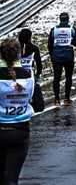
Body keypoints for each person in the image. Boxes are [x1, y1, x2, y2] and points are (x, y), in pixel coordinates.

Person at [0, 37, 35, 183]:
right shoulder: (29, 76)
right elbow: (39, 105)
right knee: (11, 178)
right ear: (19, 54)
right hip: (20, 131)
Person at [47, 12, 76, 106]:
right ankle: (67, 98)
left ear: (60, 19)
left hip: (56, 56)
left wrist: (52, 54)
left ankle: (57, 100)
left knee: (56, 77)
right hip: (68, 56)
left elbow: (50, 44)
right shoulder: (71, 29)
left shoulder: (54, 30)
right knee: (68, 77)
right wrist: (71, 41)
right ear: (68, 19)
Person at [17, 29, 44, 114]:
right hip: (30, 75)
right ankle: (34, 106)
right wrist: (38, 74)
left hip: (16, 75)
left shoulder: (15, 49)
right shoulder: (34, 48)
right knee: (37, 96)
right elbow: (39, 63)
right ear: (29, 37)